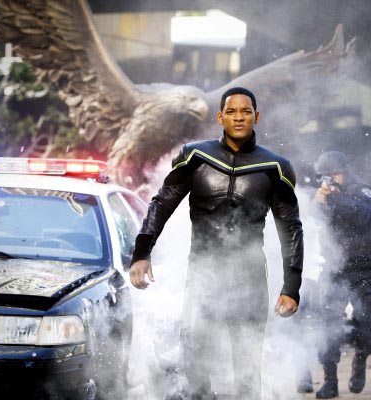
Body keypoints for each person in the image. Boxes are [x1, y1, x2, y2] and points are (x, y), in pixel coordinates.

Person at [129, 87, 304, 400]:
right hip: (203, 276)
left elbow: (290, 227)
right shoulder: (195, 156)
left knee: (247, 372)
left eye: (246, 111)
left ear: (256, 117)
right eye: (232, 111)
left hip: (250, 279)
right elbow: (162, 202)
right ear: (220, 117)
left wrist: (291, 287)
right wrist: (142, 252)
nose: (239, 117)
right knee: (194, 365)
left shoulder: (276, 167)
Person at [302, 150, 371, 399]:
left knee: (365, 321)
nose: (329, 179)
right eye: (325, 176)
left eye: (333, 174)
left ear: (344, 172)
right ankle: (330, 381)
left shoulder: (362, 190)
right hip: (335, 267)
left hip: (364, 268)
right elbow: (311, 220)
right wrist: (318, 201)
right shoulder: (327, 194)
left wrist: (336, 196)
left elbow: (361, 215)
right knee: (329, 325)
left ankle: (360, 360)